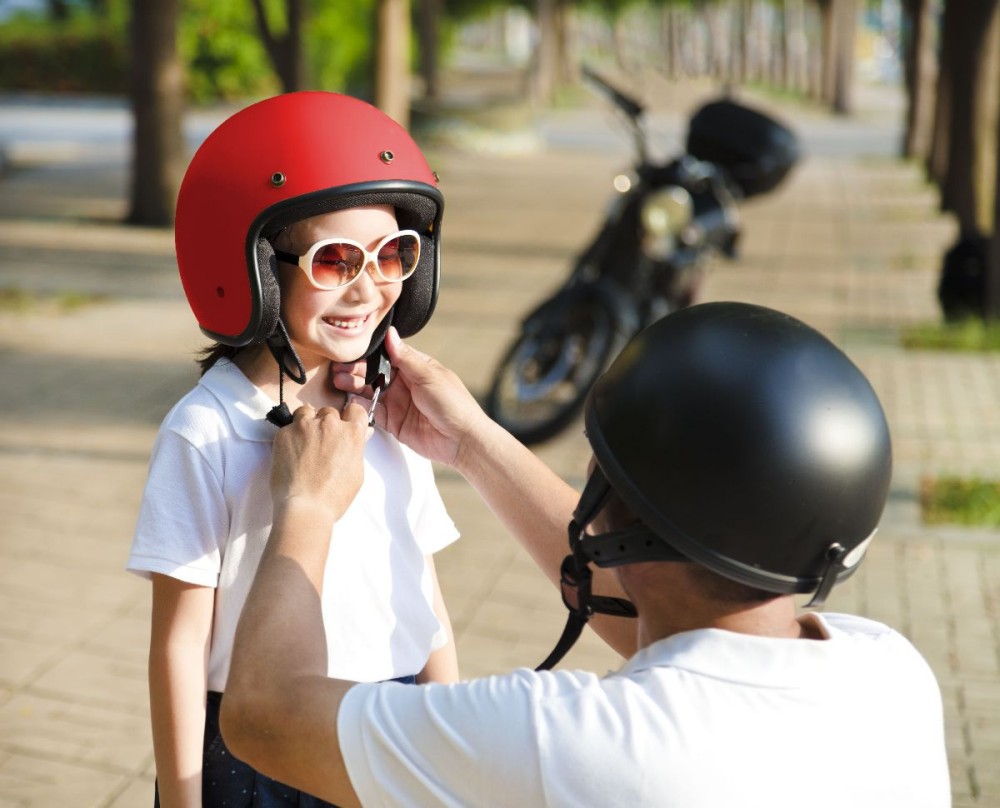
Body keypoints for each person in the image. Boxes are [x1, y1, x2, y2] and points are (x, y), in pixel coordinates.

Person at [221, 302, 951, 807]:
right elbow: (674, 625)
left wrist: (309, 505)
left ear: (616, 509)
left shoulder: (569, 743)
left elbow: (263, 715)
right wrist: (472, 443)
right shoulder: (889, 672)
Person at [126, 92, 460, 807]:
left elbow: (423, 591)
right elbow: (180, 646)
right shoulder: (206, 429)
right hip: (253, 747)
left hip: (387, 727)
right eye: (336, 260)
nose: (370, 287)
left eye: (395, 254)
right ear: (254, 268)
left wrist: (447, 733)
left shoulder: (393, 411)